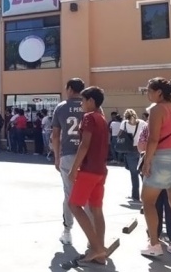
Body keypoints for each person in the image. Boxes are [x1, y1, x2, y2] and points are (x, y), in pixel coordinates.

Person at [140, 78, 171, 258]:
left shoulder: (156, 109)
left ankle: (154, 244)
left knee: (147, 201)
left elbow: (153, 138)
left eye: (149, 90)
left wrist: (147, 161)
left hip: (163, 158)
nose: (147, 94)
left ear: (159, 92)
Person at [67, 86, 109, 264]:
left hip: (89, 170)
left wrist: (74, 168)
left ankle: (97, 248)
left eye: (83, 101)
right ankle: (98, 252)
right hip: (100, 170)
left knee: (74, 206)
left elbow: (84, 145)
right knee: (96, 209)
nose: (81, 104)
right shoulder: (102, 118)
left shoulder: (89, 117)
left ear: (91, 101)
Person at [52, 78, 86, 245]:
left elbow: (55, 135)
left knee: (69, 194)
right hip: (88, 155)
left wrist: (56, 157)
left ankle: (67, 231)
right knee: (88, 194)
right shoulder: (91, 105)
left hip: (68, 154)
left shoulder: (61, 107)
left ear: (71, 89)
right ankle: (91, 234)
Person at [138, 104, 171, 244]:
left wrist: (148, 159)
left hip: (153, 165)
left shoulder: (147, 127)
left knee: (153, 202)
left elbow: (141, 145)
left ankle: (155, 235)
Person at [118, 109, 147, 201]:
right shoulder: (142, 123)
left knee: (134, 174)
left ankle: (135, 196)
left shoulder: (124, 123)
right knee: (143, 174)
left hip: (130, 150)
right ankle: (146, 195)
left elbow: (119, 135)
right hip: (141, 149)